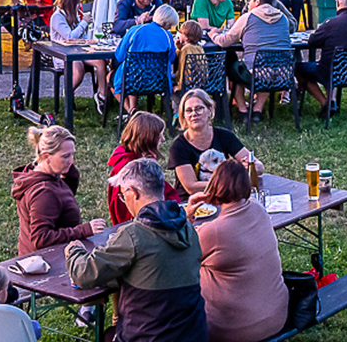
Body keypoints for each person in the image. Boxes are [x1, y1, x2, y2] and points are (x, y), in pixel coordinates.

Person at [66, 158, 207, 342]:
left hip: (147, 337)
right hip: (193, 334)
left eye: (123, 196)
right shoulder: (187, 228)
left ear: (132, 192)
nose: (124, 201)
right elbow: (153, 271)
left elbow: (84, 274)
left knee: (107, 336)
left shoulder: (133, 235)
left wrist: (74, 250)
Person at [187, 160, 287, 342]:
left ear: (213, 188)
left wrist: (188, 217)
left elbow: (179, 253)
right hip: (277, 316)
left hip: (235, 331)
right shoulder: (258, 209)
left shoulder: (213, 232)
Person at [15, 126, 107, 255]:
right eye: (65, 156)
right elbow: (41, 239)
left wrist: (69, 174)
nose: (72, 160)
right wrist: (83, 230)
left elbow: (61, 201)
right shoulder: (44, 193)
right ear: (46, 156)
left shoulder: (41, 174)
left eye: (72, 154)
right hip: (46, 265)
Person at [211, 0, 290, 122]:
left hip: (257, 75)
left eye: (251, 0)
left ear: (257, 1)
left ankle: (242, 111)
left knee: (233, 68)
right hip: (283, 74)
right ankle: (257, 110)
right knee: (268, 63)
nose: (249, 3)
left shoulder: (248, 17)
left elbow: (225, 41)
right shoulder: (283, 18)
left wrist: (213, 35)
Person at [168, 90, 259, 195]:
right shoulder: (178, 146)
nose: (194, 114)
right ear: (183, 116)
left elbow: (258, 167)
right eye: (188, 110)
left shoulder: (225, 136)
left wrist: (248, 166)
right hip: (191, 202)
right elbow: (191, 187)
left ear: (210, 110)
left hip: (223, 197)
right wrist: (230, 180)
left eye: (199, 108)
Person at [296, 0, 347, 117]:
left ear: (338, 2)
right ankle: (332, 101)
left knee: (299, 68)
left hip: (330, 72)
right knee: (330, 63)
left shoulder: (332, 24)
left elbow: (312, 42)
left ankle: (326, 104)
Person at [107, 112, 184, 224]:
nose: (162, 139)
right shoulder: (131, 170)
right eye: (159, 135)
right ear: (148, 139)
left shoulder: (137, 160)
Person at [51, 0, 113, 108]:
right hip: (62, 54)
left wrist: (86, 27)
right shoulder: (57, 17)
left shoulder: (75, 15)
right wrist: (83, 23)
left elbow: (81, 37)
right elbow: (69, 37)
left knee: (101, 62)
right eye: (77, 2)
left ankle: (102, 96)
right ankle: (68, 92)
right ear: (70, 3)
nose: (79, 6)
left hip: (78, 51)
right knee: (78, 69)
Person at [114, 4, 180, 113]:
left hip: (133, 79)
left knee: (110, 78)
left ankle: (131, 111)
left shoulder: (134, 30)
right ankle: (134, 111)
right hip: (158, 81)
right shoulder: (167, 36)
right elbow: (171, 58)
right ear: (166, 23)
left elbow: (120, 56)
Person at [175, 21, 211, 96]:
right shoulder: (199, 47)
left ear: (186, 36)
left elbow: (184, 69)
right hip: (200, 82)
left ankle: (177, 106)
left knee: (168, 80)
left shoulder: (186, 49)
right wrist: (179, 49)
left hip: (188, 84)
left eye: (181, 33)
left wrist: (179, 87)